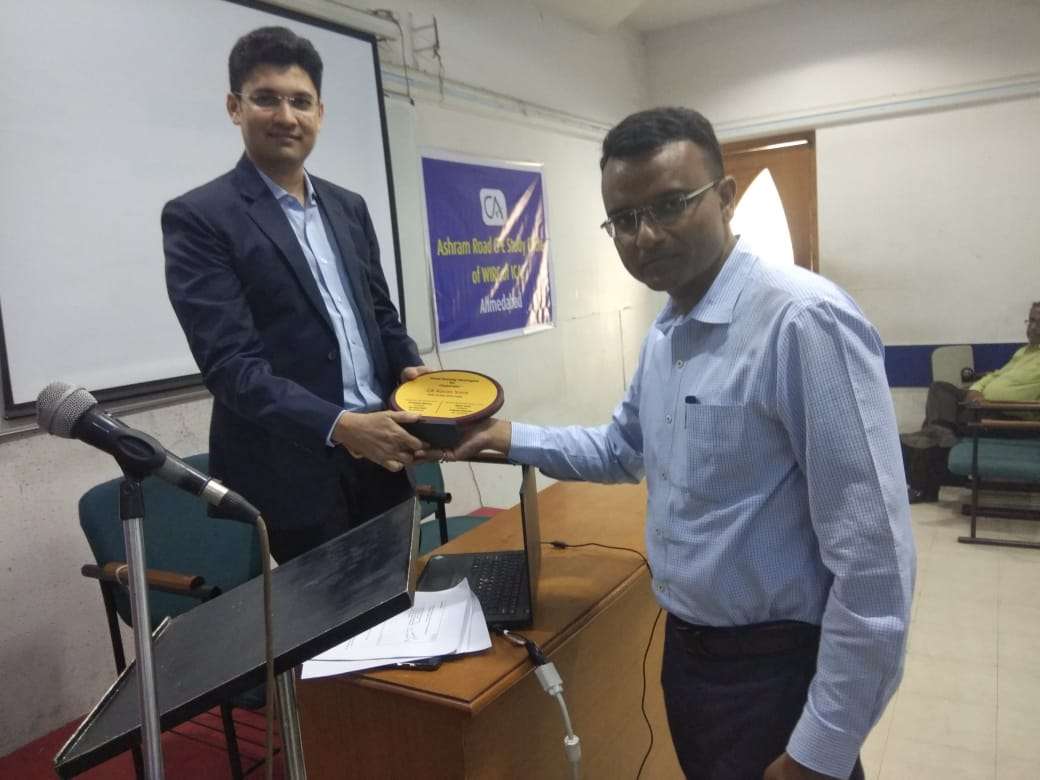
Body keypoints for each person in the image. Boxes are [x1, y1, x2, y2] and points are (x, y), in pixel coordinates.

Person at [448, 108, 915, 780]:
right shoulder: (669, 333)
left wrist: (821, 751)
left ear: (725, 197)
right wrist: (508, 437)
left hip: (775, 671)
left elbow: (876, 563)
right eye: (623, 218)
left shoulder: (802, 322)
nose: (645, 235)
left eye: (670, 205)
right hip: (691, 658)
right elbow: (621, 449)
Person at [163, 27, 432, 562]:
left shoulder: (348, 206)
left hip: (381, 454)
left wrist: (411, 368)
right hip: (292, 471)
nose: (286, 116)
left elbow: (379, 314)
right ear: (235, 107)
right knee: (329, 612)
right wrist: (342, 427)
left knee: (403, 593)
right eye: (267, 99)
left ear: (320, 113)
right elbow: (232, 368)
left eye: (301, 101)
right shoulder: (200, 218)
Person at [902, 301, 1040, 503]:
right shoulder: (1024, 352)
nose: (1033, 327)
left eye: (1039, 323)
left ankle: (923, 485)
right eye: (1031, 321)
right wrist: (976, 390)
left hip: (1007, 416)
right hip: (980, 405)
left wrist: (990, 402)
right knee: (940, 388)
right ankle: (942, 437)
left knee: (930, 429)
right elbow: (995, 375)